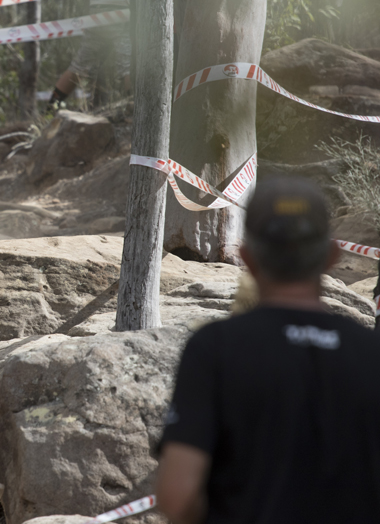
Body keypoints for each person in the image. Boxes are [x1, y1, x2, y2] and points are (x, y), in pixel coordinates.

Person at [156, 176, 380, 524]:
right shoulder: (370, 353)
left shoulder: (215, 349)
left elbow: (176, 495)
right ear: (332, 257)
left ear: (246, 256)